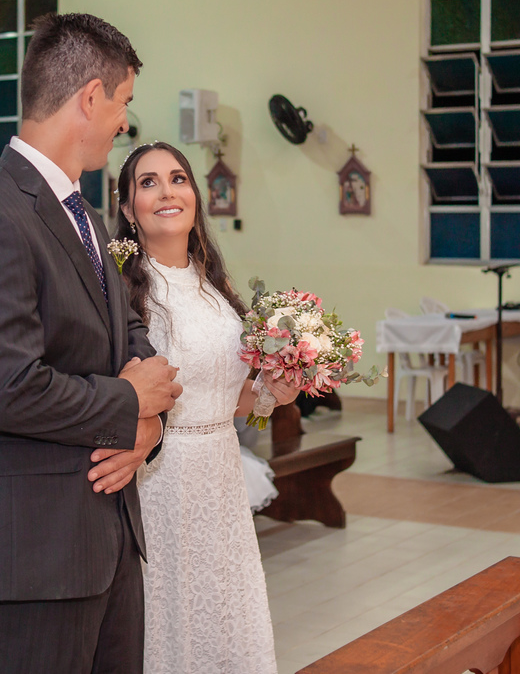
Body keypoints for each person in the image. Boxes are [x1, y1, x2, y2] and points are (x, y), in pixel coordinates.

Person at [0, 12, 182, 674]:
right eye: (124, 102)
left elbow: (128, 335)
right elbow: (8, 389)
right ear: (91, 97)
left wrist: (147, 426)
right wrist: (128, 403)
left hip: (107, 535)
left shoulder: (85, 215)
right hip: (35, 551)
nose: (125, 122)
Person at [114, 142, 300, 674]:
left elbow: (229, 395)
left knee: (225, 608)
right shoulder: (123, 291)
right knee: (172, 614)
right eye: (148, 183)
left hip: (220, 470)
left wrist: (274, 391)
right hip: (160, 476)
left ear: (195, 195)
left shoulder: (215, 286)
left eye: (178, 179)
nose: (166, 192)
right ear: (128, 209)